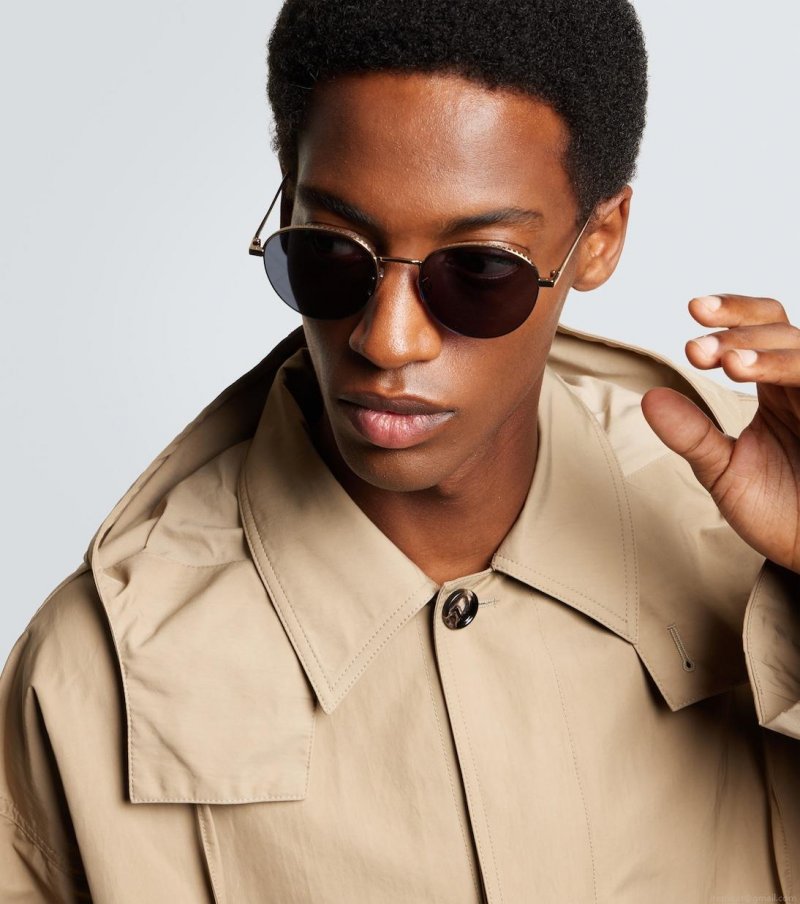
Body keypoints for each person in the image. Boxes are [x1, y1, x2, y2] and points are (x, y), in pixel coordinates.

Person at [2, 0, 799, 900]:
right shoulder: (93, 675)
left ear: (599, 239)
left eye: (480, 271)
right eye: (331, 255)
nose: (387, 340)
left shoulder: (754, 549)